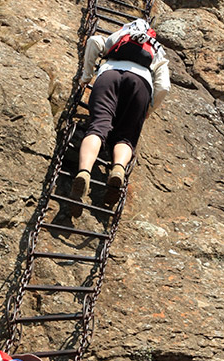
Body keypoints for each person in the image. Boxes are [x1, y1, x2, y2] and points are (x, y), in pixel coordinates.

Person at [69, 19, 170, 215]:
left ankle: (84, 172)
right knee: (126, 136)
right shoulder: (156, 49)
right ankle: (117, 169)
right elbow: (164, 85)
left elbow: (94, 41)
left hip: (109, 75)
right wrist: (150, 108)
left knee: (97, 127)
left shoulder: (120, 36)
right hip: (141, 83)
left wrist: (86, 77)